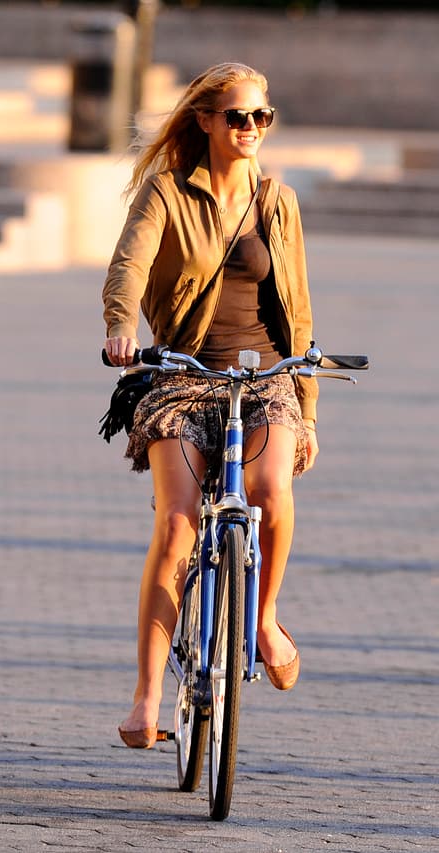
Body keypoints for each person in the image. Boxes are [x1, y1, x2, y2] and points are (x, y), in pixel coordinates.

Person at [102, 62, 317, 749]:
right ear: (205, 121)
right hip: (181, 371)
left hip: (265, 375)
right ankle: (146, 697)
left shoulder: (278, 201)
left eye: (262, 116)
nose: (251, 128)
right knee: (176, 525)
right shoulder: (168, 190)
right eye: (237, 116)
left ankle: (262, 617)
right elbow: (130, 262)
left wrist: (307, 408)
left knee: (268, 491)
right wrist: (120, 325)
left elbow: (300, 309)